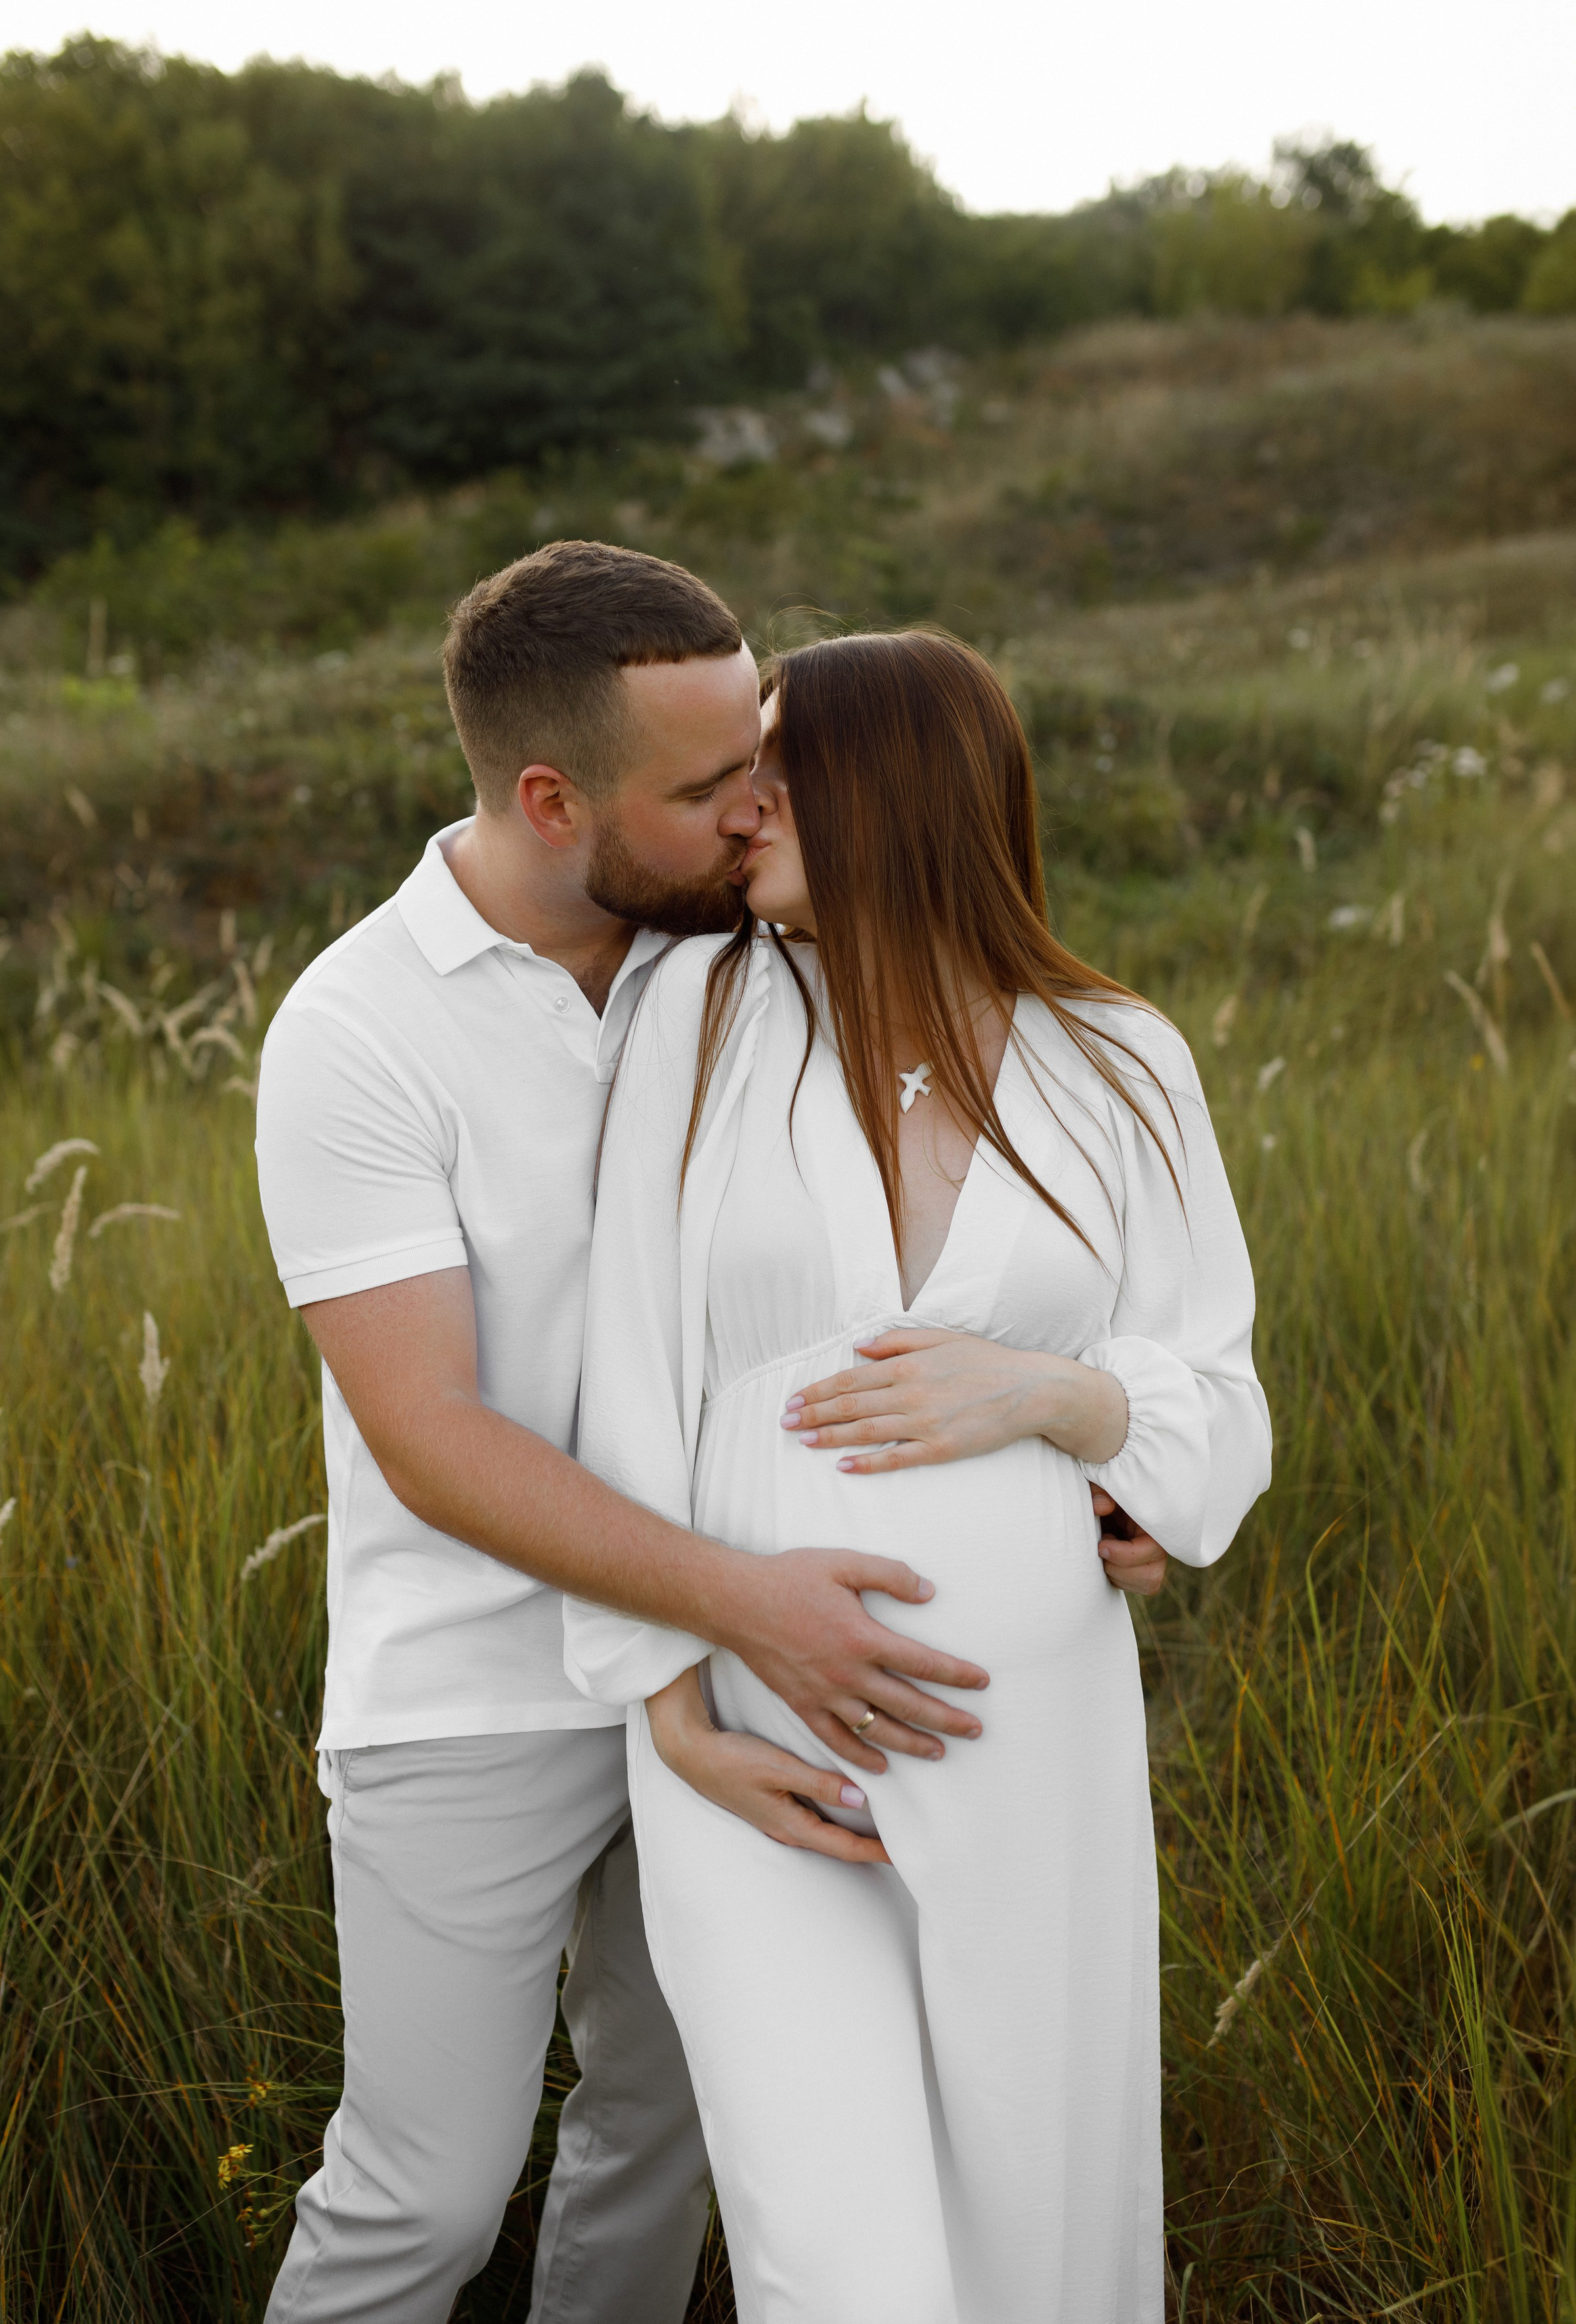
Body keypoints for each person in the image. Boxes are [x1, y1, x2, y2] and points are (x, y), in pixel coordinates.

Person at [254, 545, 1167, 2324]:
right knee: (425, 2192)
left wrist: (1086, 1463)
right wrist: (735, 1605)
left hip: (759, 1698)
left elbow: (939, 1254)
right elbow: (431, 1433)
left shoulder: (765, 962)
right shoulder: (358, 1033)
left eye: (761, 752)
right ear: (551, 798)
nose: (762, 803)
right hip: (478, 1691)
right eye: (709, 787)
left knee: (670, 2152)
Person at [565, 629, 1272, 2323]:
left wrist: (1061, 1398)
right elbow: (629, 1385)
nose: (746, 809)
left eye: (782, 766)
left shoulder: (1119, 1063)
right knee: (848, 2265)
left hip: (1034, 1748)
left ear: (895, 792)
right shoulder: (696, 1014)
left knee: (1042, 2229)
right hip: (757, 1758)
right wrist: (671, 1713)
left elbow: (1218, 1406)